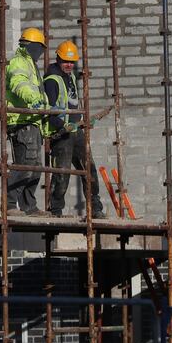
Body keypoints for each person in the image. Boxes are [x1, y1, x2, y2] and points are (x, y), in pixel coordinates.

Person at [43, 40, 106, 219]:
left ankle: (95, 208)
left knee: (89, 169)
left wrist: (80, 121)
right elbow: (48, 111)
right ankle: (55, 211)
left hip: (76, 131)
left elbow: (71, 104)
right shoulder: (52, 80)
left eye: (72, 62)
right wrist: (64, 126)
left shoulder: (69, 76)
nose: (69, 64)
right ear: (58, 58)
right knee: (62, 174)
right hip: (62, 133)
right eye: (65, 61)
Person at [6, 27, 50, 217]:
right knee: (26, 165)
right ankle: (8, 204)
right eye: (40, 48)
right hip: (22, 121)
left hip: (33, 121)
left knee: (35, 167)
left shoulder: (31, 63)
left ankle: (29, 206)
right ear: (34, 46)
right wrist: (34, 99)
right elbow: (19, 84)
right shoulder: (19, 62)